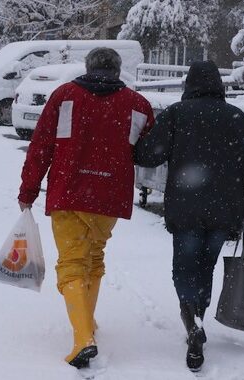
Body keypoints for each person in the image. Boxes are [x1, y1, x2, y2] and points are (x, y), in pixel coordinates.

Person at [17, 47, 155, 369]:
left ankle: (82, 338)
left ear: (88, 66)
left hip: (69, 193)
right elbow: (148, 151)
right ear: (118, 70)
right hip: (109, 198)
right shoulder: (137, 105)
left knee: (71, 264)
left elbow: (41, 147)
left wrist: (28, 190)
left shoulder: (65, 96)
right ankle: (87, 324)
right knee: (93, 258)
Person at [135, 61, 244, 372]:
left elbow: (148, 155)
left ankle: (191, 318)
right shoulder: (237, 117)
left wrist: (140, 136)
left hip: (186, 207)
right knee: (207, 264)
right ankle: (198, 314)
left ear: (188, 84)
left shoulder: (178, 114)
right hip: (224, 209)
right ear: (219, 85)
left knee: (185, 263)